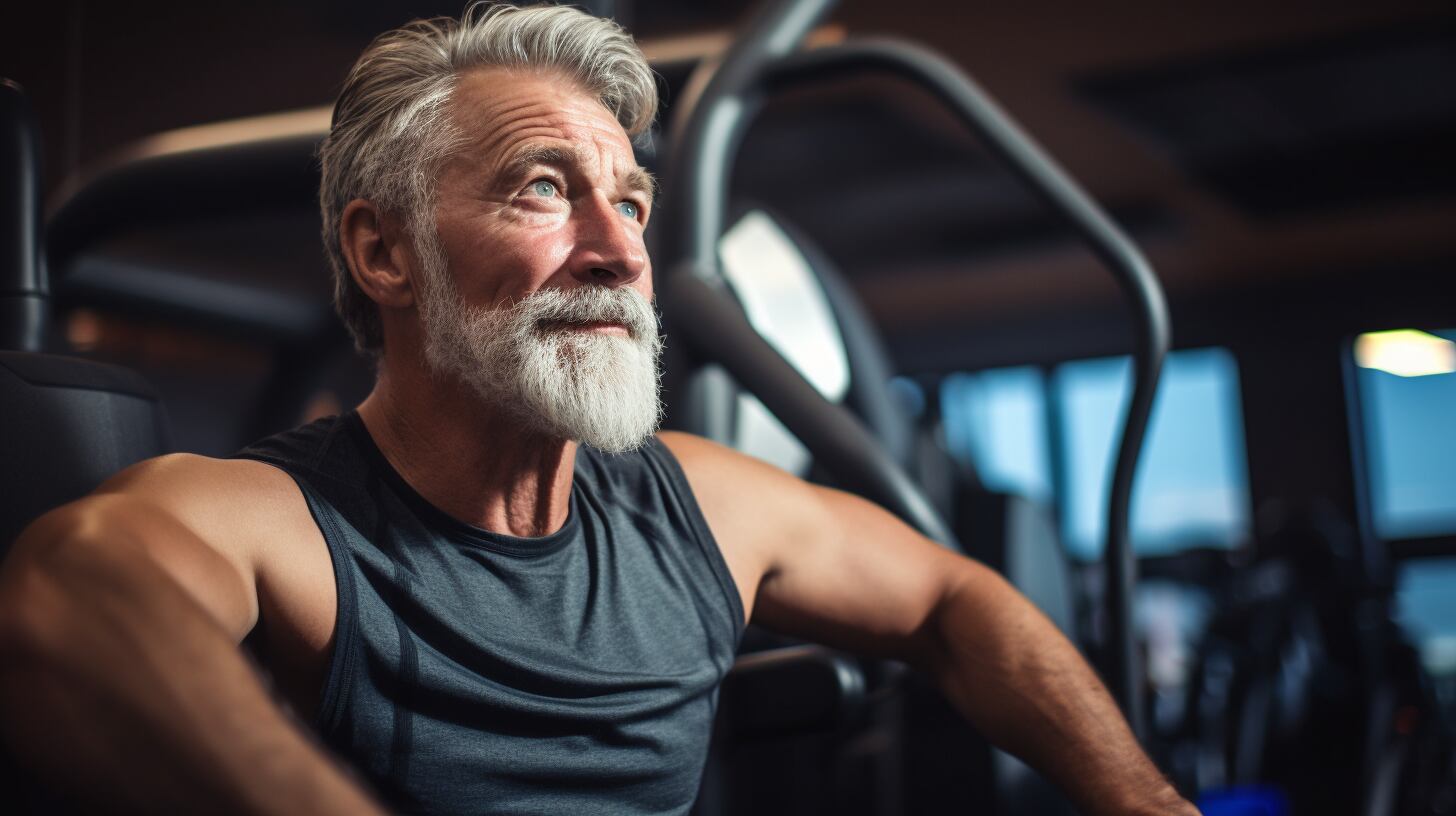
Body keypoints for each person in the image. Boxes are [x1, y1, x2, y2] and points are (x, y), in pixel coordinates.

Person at [0, 5, 1199, 815]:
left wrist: (1144, 803)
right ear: (385, 251)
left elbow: (952, 600)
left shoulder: (696, 508)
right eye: (542, 189)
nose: (618, 249)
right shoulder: (291, 525)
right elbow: (65, 589)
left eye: (628, 200)